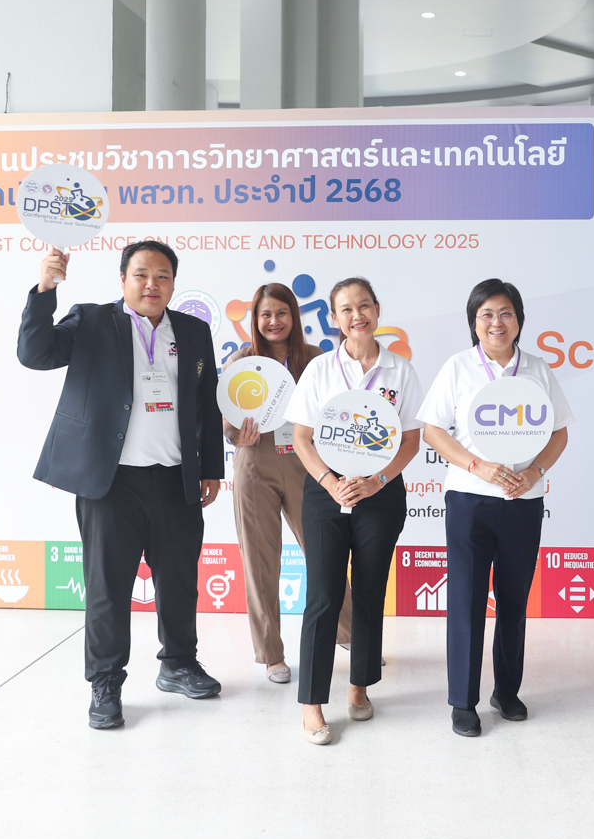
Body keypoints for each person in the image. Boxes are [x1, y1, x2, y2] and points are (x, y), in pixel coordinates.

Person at [18, 240, 225, 730]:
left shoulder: (193, 330)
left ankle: (179, 664)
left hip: (175, 479)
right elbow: (35, 353)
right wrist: (45, 289)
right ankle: (106, 682)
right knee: (108, 588)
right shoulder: (92, 320)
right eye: (141, 275)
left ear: (173, 283)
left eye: (162, 276)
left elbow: (206, 401)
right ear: (123, 279)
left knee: (179, 580)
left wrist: (211, 468)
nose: (152, 284)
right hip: (110, 483)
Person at [418, 279, 574, 737]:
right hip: (470, 499)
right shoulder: (458, 367)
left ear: (519, 320)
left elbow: (560, 432)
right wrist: (477, 466)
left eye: (505, 313)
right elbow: (432, 430)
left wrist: (535, 471)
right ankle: (462, 701)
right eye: (486, 314)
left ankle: (506, 691)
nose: (496, 322)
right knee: (466, 600)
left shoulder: (538, 370)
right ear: (474, 322)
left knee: (513, 600)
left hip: (523, 500)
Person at [283, 277, 423, 745]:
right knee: (323, 596)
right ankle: (312, 703)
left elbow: (410, 440)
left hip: (380, 493)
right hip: (326, 492)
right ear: (333, 318)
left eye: (364, 305)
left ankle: (359, 686)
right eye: (345, 309)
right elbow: (301, 437)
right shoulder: (320, 369)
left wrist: (377, 480)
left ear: (377, 310)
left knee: (368, 591)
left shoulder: (400, 371)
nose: (356, 315)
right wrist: (330, 482)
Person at [221, 283, 352, 685]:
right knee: (260, 562)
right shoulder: (241, 362)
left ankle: (351, 633)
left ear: (294, 316)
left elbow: (337, 413)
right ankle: (271, 654)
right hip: (255, 464)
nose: (274, 321)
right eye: (265, 314)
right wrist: (237, 435)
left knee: (326, 554)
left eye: (281, 313)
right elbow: (227, 425)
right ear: (255, 320)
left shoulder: (316, 360)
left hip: (307, 465)